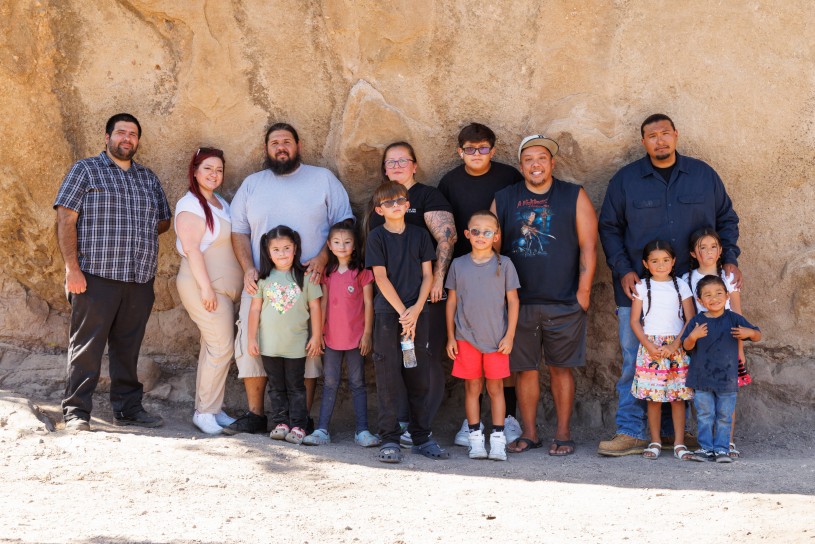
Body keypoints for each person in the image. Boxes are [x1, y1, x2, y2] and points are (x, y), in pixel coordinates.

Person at [598, 113, 742, 456]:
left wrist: (731, 259)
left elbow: (727, 219)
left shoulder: (703, 176)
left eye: (665, 133)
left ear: (676, 135)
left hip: (695, 292)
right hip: (640, 292)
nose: (660, 140)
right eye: (652, 136)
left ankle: (683, 433)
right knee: (637, 359)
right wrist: (622, 268)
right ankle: (632, 432)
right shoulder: (626, 180)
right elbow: (609, 227)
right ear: (643, 141)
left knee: (692, 359)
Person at [225, 123, 353, 435]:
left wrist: (324, 257)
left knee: (308, 349)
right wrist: (247, 269)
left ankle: (301, 418)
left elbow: (345, 221)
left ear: (298, 145)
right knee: (250, 345)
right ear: (266, 149)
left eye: (286, 141)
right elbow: (238, 230)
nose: (281, 147)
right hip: (262, 284)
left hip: (307, 282)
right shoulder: (253, 184)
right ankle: (257, 414)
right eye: (274, 143)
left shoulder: (322, 179)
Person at [54, 113, 171, 432]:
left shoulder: (148, 178)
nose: (127, 139)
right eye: (121, 133)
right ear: (107, 137)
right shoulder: (85, 170)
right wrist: (72, 269)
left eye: (133, 134)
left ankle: (129, 409)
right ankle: (76, 411)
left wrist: (135, 237)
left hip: (138, 279)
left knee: (128, 348)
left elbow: (163, 221)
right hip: (95, 277)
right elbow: (66, 219)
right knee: (86, 347)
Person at [491, 135, 598, 456]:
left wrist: (583, 292)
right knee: (524, 370)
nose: (535, 164)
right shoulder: (505, 198)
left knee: (561, 369)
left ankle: (563, 434)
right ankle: (530, 433)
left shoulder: (573, 195)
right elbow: (491, 249)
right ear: (520, 165)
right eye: (528, 159)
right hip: (518, 302)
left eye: (541, 158)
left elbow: (589, 245)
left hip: (564, 300)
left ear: (552, 163)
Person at [437, 122, 524, 447]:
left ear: (493, 149)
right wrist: (442, 270)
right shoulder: (450, 181)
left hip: (501, 269)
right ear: (460, 151)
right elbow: (444, 227)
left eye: (483, 148)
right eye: (470, 149)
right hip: (464, 271)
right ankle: (471, 423)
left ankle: (509, 418)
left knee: (502, 350)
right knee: (469, 353)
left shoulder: (508, 177)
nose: (476, 154)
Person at [367, 142, 456, 447]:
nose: (395, 206)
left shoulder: (420, 231)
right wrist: (403, 312)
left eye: (403, 160)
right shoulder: (376, 236)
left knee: (418, 370)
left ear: (408, 204)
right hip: (389, 314)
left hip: (418, 313)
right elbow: (379, 276)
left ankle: (421, 435)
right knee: (389, 373)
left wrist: (415, 310)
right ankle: (390, 436)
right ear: (379, 209)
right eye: (391, 161)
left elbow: (430, 271)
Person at [174, 147, 243, 434]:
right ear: (195, 171)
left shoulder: (221, 203)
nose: (214, 174)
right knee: (220, 346)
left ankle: (213, 407)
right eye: (207, 169)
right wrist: (206, 289)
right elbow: (191, 249)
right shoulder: (189, 205)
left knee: (213, 346)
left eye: (218, 170)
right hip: (203, 285)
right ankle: (203, 413)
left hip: (222, 289)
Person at [445, 211, 520, 461]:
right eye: (475, 231)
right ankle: (475, 437)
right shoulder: (458, 264)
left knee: (496, 387)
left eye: (487, 232)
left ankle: (497, 438)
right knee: (472, 387)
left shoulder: (505, 264)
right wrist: (450, 336)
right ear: (467, 234)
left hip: (497, 339)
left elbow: (513, 301)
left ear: (496, 236)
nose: (480, 236)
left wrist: (509, 336)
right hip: (466, 338)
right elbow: (451, 302)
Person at [303, 220, 379, 447]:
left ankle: (362, 431)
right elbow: (323, 304)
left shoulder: (362, 273)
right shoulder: (328, 273)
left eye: (347, 242)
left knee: (358, 382)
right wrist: (319, 333)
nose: (342, 246)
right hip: (332, 338)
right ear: (329, 245)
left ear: (355, 245)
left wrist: (367, 334)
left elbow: (368, 304)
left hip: (356, 339)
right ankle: (322, 430)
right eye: (336, 242)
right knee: (330, 382)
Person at [247, 226, 322, 445]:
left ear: (295, 248)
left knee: (296, 386)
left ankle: (299, 425)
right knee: (276, 386)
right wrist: (252, 338)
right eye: (276, 249)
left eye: (287, 248)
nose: (282, 253)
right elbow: (254, 310)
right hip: (269, 345)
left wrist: (316, 336)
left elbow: (316, 308)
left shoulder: (305, 277)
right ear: (268, 252)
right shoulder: (264, 278)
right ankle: (280, 422)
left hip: (296, 345)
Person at [681, 227, 750, 457]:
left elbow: (738, 317)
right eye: (702, 247)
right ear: (693, 253)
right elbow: (689, 318)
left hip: (727, 348)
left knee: (727, 397)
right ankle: (706, 445)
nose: (708, 251)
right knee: (704, 400)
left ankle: (726, 443)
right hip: (702, 347)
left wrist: (740, 350)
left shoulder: (728, 277)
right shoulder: (687, 279)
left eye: (713, 246)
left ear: (721, 250)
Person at [681, 275, 761, 463]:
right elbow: (686, 346)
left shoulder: (734, 318)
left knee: (725, 415)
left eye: (718, 293)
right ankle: (706, 448)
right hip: (702, 378)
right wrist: (693, 336)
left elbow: (757, 334)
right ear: (700, 301)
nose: (714, 298)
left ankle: (722, 449)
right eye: (707, 295)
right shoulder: (697, 321)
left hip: (727, 378)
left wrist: (749, 333)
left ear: (726, 296)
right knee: (705, 415)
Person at [629, 241, 695, 461]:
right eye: (655, 261)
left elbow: (690, 319)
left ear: (673, 261)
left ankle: (678, 442)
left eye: (666, 260)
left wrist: (675, 344)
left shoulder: (681, 286)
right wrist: (649, 346)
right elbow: (635, 321)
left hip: (676, 347)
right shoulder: (642, 287)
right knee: (653, 398)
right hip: (651, 347)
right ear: (646, 264)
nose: (661, 265)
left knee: (677, 397)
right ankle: (655, 440)